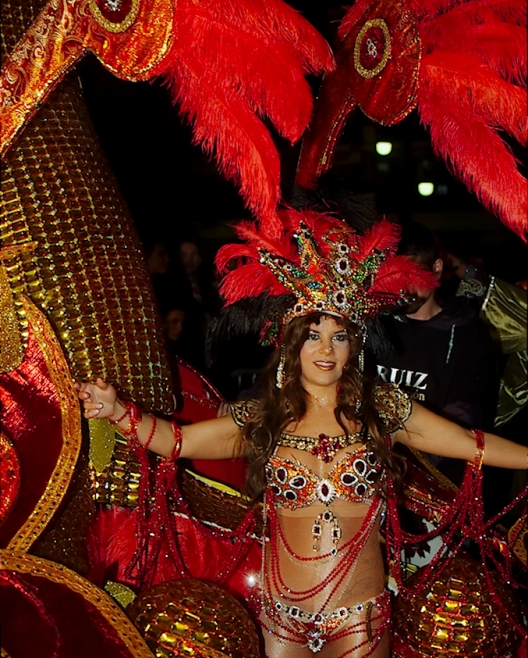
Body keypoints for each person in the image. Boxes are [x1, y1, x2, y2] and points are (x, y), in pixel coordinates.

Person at [77, 213, 527, 658]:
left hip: (360, 621)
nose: (326, 350)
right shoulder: (264, 416)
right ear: (292, 344)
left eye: (339, 336)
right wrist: (119, 412)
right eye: (313, 336)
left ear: (356, 345)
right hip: (282, 618)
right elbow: (181, 443)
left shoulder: (381, 409)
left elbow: (473, 445)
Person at [372, 223, 498, 484]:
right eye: (396, 277)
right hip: (370, 473)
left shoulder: (467, 335)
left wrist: (409, 469)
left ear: (437, 269)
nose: (403, 289)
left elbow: (464, 418)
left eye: (413, 275)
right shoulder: (374, 325)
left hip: (434, 484)